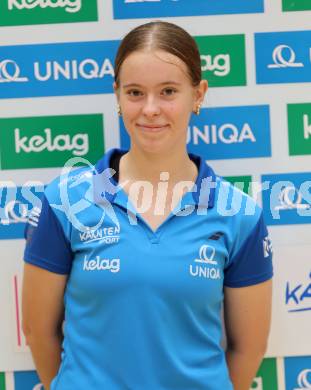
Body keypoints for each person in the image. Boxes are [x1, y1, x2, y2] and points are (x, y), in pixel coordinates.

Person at [22, 21, 273, 390]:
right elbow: (38, 332)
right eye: (135, 92)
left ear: (198, 94)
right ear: (118, 96)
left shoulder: (239, 215)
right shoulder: (65, 202)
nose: (150, 109)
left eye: (168, 91)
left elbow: (248, 350)